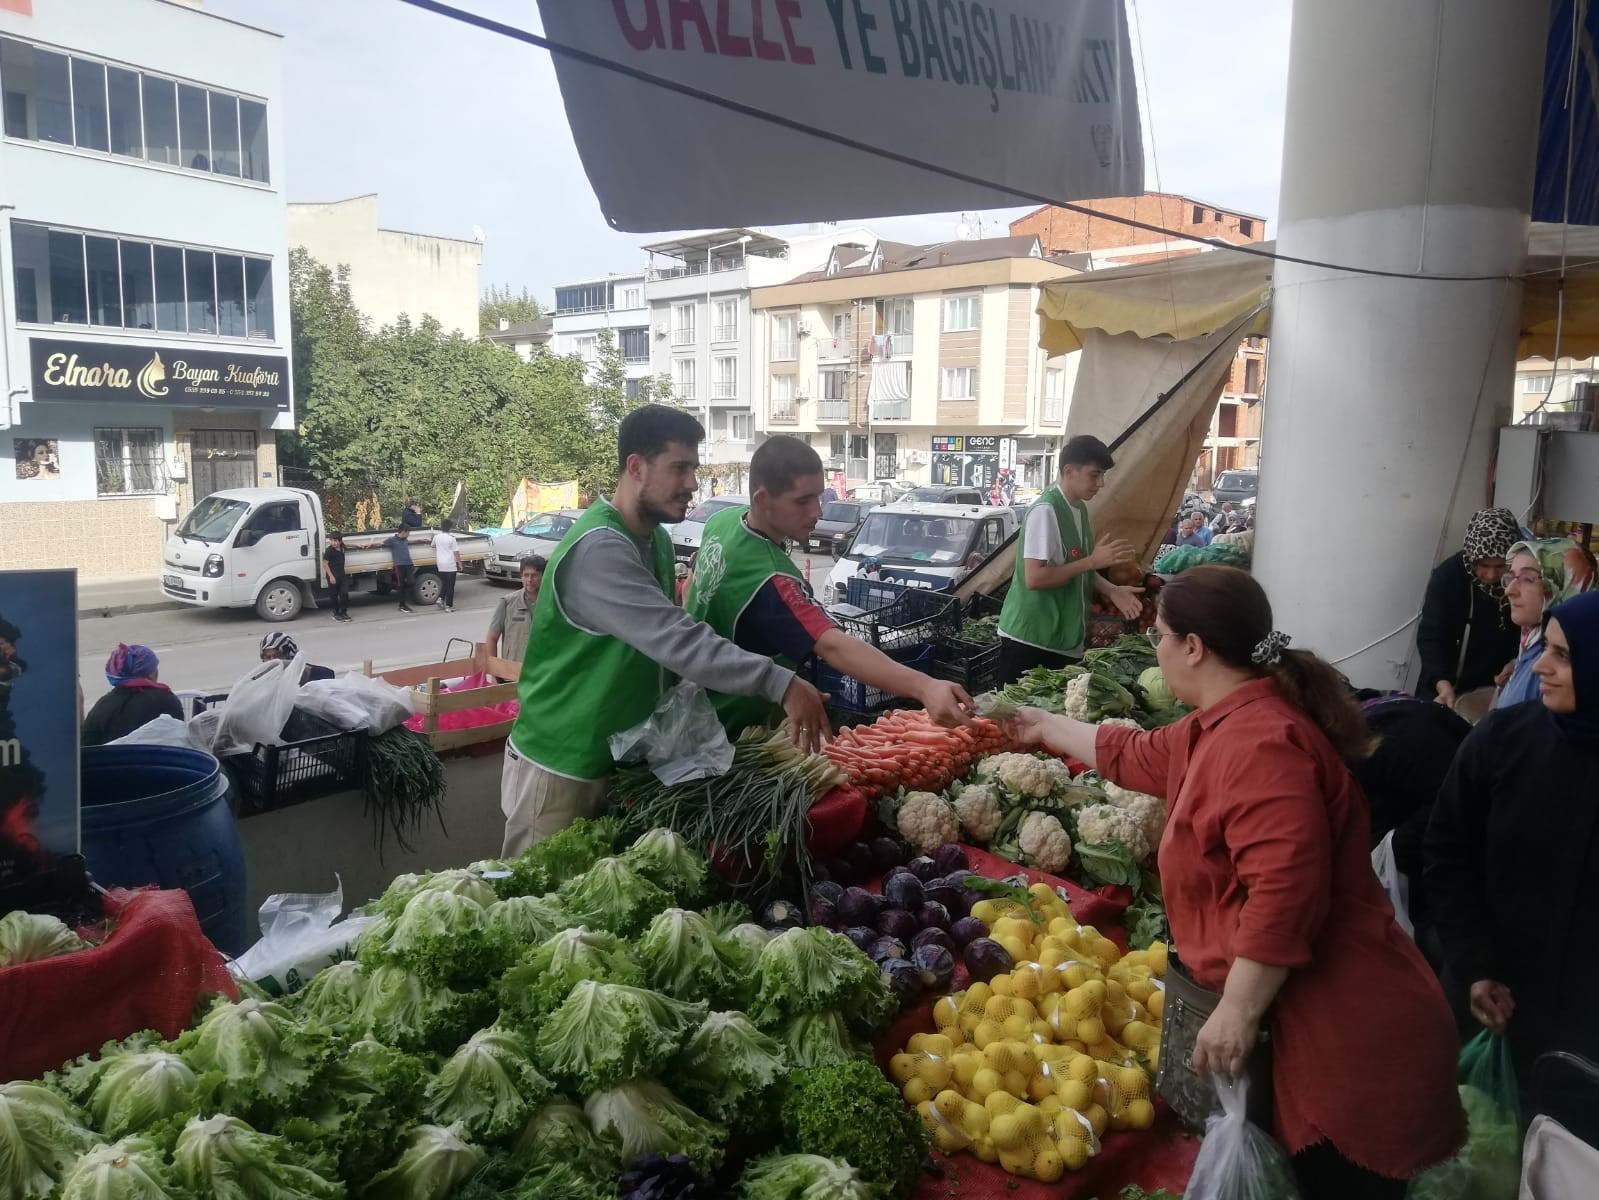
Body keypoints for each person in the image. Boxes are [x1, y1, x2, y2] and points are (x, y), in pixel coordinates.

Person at [1008, 566, 1463, 1199]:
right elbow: (1136, 755)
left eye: (1161, 634)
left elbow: (1284, 892)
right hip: (1306, 1020)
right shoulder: (1220, 723)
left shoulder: (1262, 745)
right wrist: (1038, 724)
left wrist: (1238, 1011)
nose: (1157, 647)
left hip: (1348, 1036)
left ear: (1193, 647)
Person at [503, 405, 829, 855]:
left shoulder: (653, 537)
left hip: (617, 763)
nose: (693, 483)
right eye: (679, 468)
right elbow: (675, 638)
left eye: (694, 468)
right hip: (561, 771)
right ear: (636, 467)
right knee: (537, 907)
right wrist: (781, 682)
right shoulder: (599, 548)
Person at [1427, 590, 1599, 1113]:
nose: (1540, 667)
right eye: (1545, 648)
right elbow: (1447, 854)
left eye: (1564, 656)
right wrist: (1475, 965)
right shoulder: (1504, 741)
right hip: (1494, 1002)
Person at [686, 436, 973, 736]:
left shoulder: (722, 521)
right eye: (802, 501)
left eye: (818, 497)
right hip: (734, 728)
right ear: (762, 500)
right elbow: (833, 646)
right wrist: (925, 686)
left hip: (691, 704)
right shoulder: (773, 579)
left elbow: (693, 582)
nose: (817, 512)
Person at [996, 436, 1142, 684]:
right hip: (1032, 641)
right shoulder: (1046, 512)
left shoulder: (1078, 509)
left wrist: (1112, 589)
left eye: (1102, 475)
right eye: (1094, 475)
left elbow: (1076, 567)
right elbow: (1035, 577)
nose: (1101, 483)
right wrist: (1091, 562)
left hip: (1061, 639)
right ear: (1069, 471)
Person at [1416, 507, 1521, 717]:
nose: (1491, 575)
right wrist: (1442, 683)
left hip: (1497, 689)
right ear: (1472, 555)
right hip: (1447, 687)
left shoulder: (1519, 580)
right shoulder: (1448, 578)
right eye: (1483, 565)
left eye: (1501, 566)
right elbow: (1432, 637)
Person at [1493, 537, 1595, 709]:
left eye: (1527, 579)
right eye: (1510, 577)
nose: (1509, 590)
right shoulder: (1531, 646)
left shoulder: (1557, 672)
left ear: (1562, 585)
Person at [82, 644, 186, 746]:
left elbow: (85, 745)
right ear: (150, 673)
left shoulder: (103, 705)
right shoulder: (167, 700)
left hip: (110, 762)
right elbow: (180, 742)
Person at [486, 554, 544, 674]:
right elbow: (492, 638)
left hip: (543, 674)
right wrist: (495, 673)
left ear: (543, 576)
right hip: (513, 673)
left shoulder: (552, 603)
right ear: (521, 576)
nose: (529, 580)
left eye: (534, 575)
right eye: (526, 575)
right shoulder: (507, 603)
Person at [259, 631, 334, 683]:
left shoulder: (315, 674)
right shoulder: (261, 679)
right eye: (268, 657)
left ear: (290, 655)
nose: (273, 661)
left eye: (278, 656)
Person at [432, 519, 462, 613]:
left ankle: (440, 599)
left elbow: (432, 545)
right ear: (450, 528)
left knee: (444, 583)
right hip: (450, 565)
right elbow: (456, 552)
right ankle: (449, 606)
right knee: (450, 586)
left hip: (440, 565)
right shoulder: (451, 538)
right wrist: (460, 563)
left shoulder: (436, 537)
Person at [384, 528, 416, 613]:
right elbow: (382, 543)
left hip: (409, 564)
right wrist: (370, 544)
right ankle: (402, 605)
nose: (409, 534)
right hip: (399, 565)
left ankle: (405, 596)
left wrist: (421, 540)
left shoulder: (405, 540)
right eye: (408, 532)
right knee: (400, 585)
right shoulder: (392, 540)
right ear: (403, 531)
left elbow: (410, 542)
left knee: (411, 582)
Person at [323, 531, 351, 623]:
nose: (333, 543)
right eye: (331, 540)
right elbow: (325, 564)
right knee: (334, 596)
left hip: (342, 575)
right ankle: (336, 614)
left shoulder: (342, 547)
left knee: (344, 594)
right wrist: (331, 577)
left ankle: (344, 613)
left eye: (335, 541)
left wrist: (359, 546)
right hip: (332, 576)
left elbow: (349, 545)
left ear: (340, 542)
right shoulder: (329, 551)